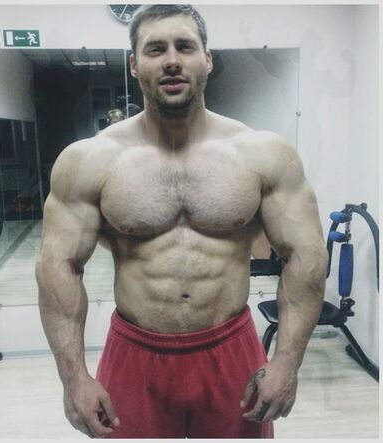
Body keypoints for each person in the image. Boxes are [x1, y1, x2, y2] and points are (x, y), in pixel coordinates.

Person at [36, 4, 328, 439]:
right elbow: (57, 267)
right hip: (135, 352)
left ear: (207, 58)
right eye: (155, 49)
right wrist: (73, 377)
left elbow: (306, 256)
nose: (172, 60)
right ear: (134, 65)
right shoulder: (89, 160)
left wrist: (287, 360)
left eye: (185, 47)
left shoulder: (263, 153)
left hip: (231, 348)